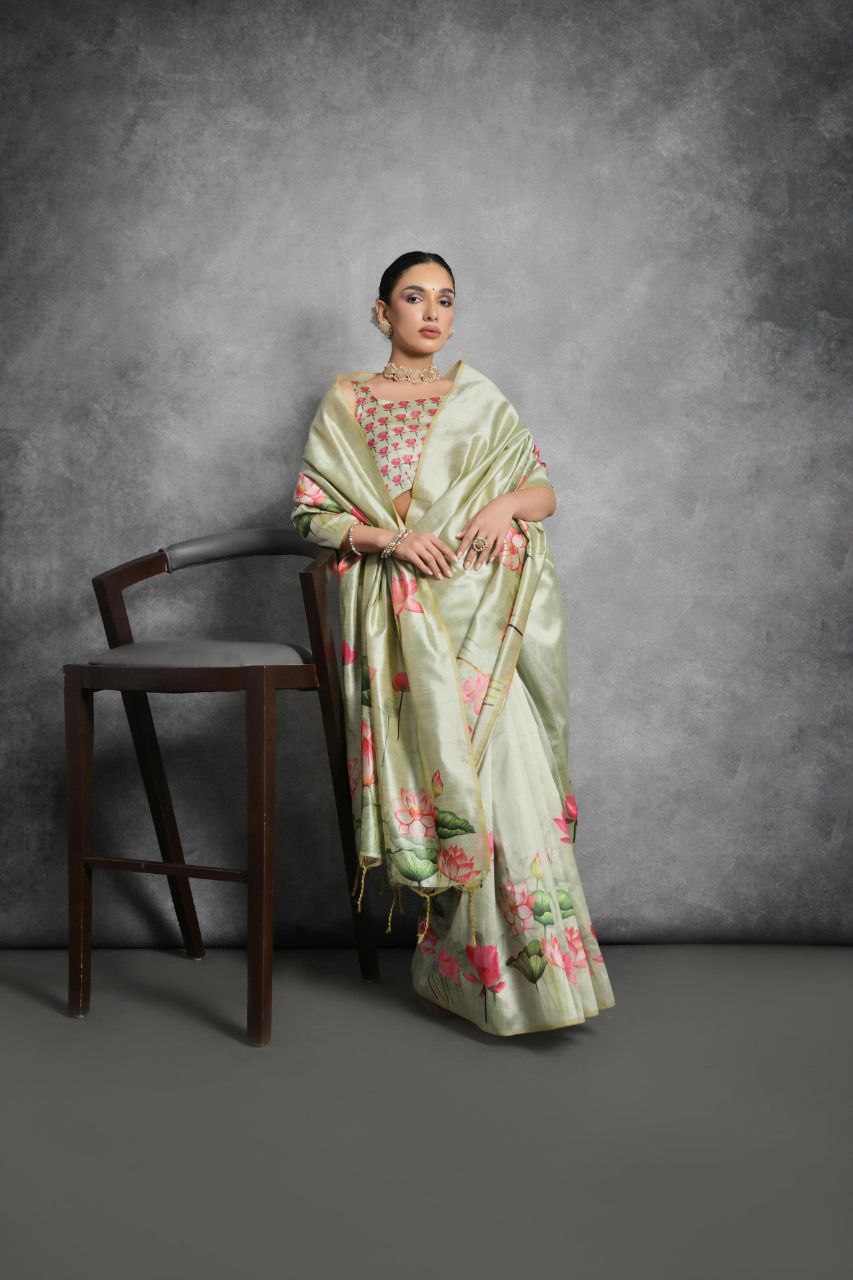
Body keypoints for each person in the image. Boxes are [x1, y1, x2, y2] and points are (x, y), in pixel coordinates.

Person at [290, 251, 615, 1036]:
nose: (432, 312)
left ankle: (540, 985)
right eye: (414, 297)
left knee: (511, 777)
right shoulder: (346, 401)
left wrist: (504, 507)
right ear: (382, 313)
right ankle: (459, 975)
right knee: (451, 787)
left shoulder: (479, 398)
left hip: (484, 611)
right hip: (405, 621)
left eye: (445, 299)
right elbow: (310, 515)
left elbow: (542, 490)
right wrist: (391, 540)